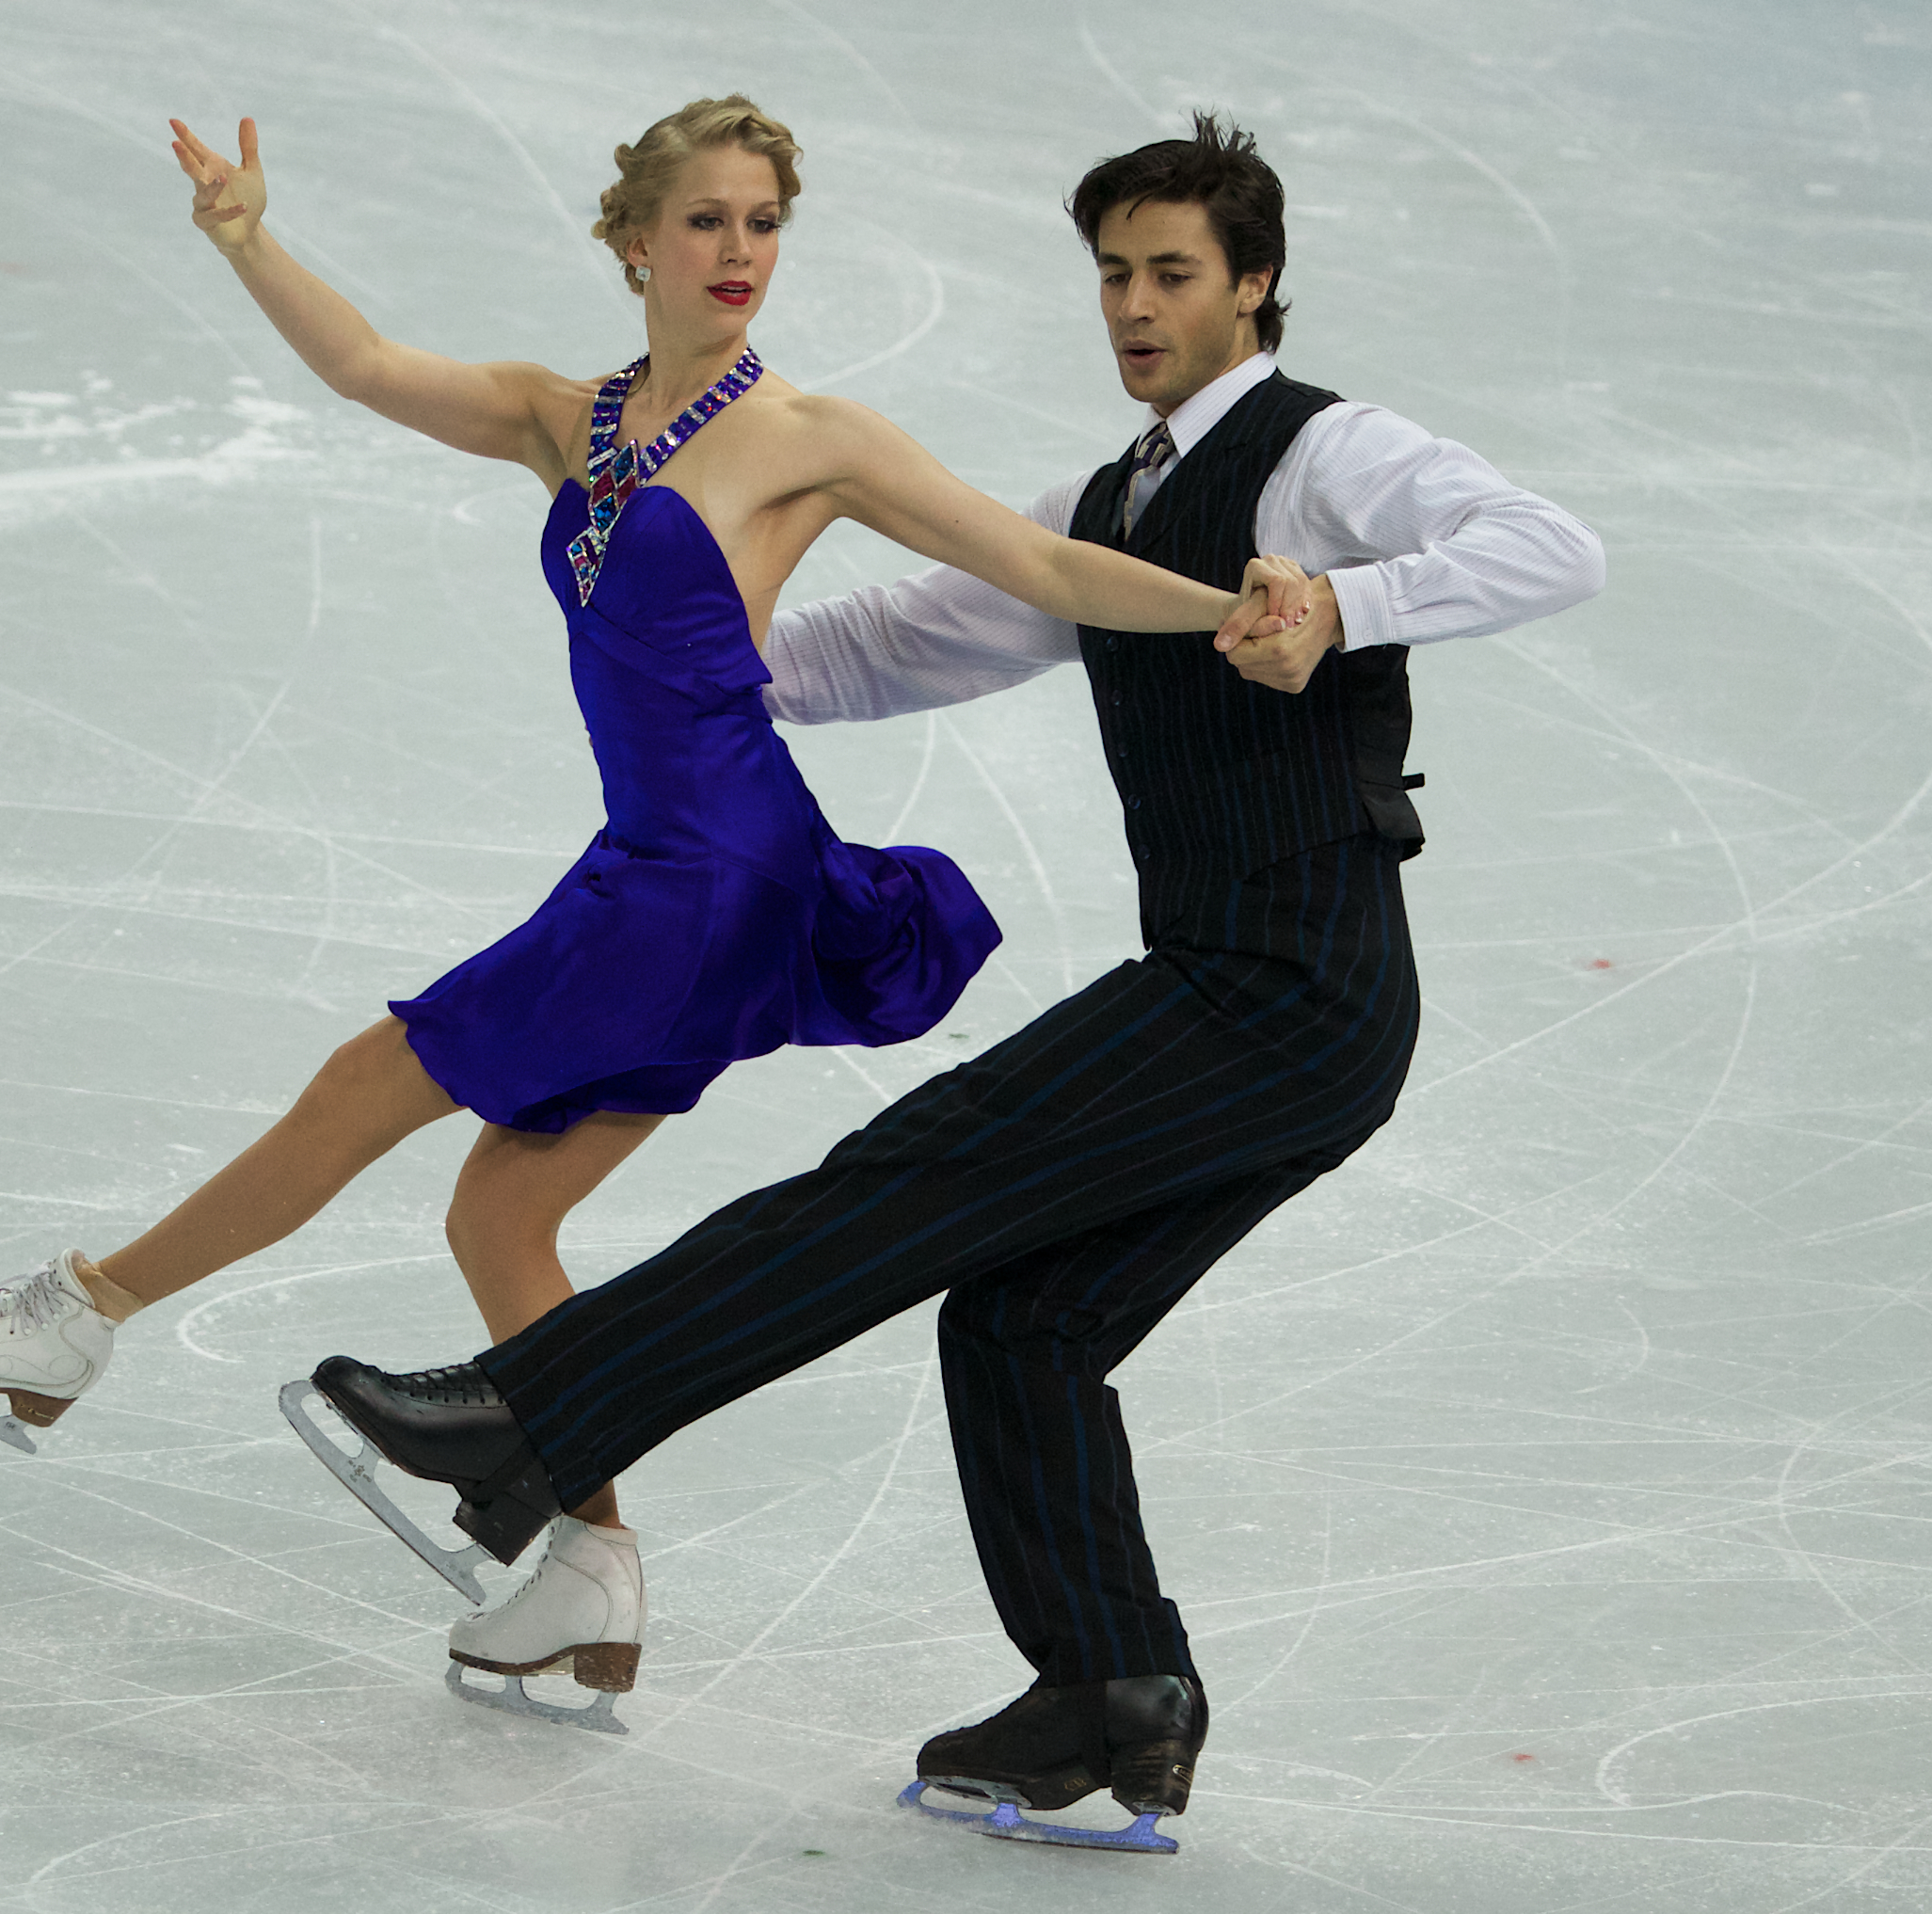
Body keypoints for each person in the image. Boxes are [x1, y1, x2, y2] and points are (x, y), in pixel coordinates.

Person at [0, 97, 1300, 1723]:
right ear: (633, 246)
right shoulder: (568, 420)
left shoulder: (814, 435)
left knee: (365, 1078)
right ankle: (590, 1579)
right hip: (655, 861)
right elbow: (370, 369)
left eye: (762, 225)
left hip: (713, 868)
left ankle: (70, 1322)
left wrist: (1234, 608)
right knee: (497, 1217)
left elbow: (1043, 568)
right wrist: (250, 240)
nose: (740, 252)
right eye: (707, 224)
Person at [295, 112, 1604, 1846]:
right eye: (1115, 276)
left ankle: (529, 1418)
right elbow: (907, 640)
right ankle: (1109, 1690)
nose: (1135, 307)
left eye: (1173, 275)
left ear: (1254, 285)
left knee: (914, 1172)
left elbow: (1550, 547)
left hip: (1289, 986)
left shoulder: (1321, 454)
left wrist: (1343, 608)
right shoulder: (1113, 504)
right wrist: (695, 643)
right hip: (1246, 994)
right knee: (1024, 1318)